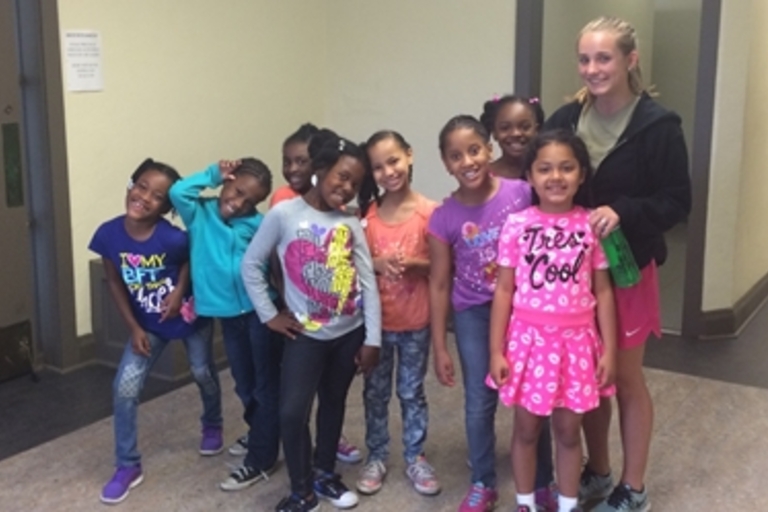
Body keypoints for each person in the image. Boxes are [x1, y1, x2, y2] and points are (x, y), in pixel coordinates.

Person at [543, 16, 692, 512]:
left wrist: (624, 209)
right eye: (584, 58)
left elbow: (677, 202)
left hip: (627, 271)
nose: (592, 68)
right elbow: (542, 179)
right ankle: (600, 473)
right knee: (588, 378)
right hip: (574, 276)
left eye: (603, 58)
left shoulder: (659, 127)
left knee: (625, 379)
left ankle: (634, 487)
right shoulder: (564, 120)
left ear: (630, 61)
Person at [241, 129, 382, 512]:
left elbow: (367, 283)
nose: (348, 187)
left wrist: (373, 340)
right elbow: (251, 264)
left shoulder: (350, 223)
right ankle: (301, 489)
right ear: (320, 169)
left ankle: (324, 473)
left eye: (355, 182)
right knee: (292, 411)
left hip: (348, 334)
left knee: (333, 403)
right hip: (306, 335)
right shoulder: (284, 214)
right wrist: (270, 316)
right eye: (342, 176)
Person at [488, 130, 617, 512]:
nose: (555, 177)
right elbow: (504, 292)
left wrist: (608, 350)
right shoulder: (517, 225)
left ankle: (567, 503)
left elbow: (605, 292)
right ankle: (525, 503)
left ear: (581, 175)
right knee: (526, 431)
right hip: (528, 346)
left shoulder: (591, 226)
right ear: (529, 176)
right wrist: (496, 350)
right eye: (544, 169)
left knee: (567, 432)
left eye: (566, 168)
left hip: (576, 345)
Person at [91, 158, 222, 505]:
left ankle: (212, 423)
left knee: (202, 371)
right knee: (124, 387)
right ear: (130, 186)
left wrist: (180, 291)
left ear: (167, 207)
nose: (145, 198)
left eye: (158, 196)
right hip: (149, 326)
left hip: (191, 318)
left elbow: (193, 257)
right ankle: (128, 465)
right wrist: (133, 327)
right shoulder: (108, 234)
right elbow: (115, 282)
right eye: (141, 187)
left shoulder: (173, 237)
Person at [428, 115, 532, 512]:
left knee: (531, 397)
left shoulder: (521, 194)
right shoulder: (444, 217)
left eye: (474, 150)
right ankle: (483, 482)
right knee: (479, 399)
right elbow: (438, 284)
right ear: (445, 163)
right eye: (456, 156)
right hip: (473, 314)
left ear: (489, 149)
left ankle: (539, 480)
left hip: (525, 310)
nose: (467, 161)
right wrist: (440, 346)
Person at [169, 158, 282, 492]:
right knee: (244, 384)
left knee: (264, 384)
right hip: (228, 317)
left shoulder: (258, 223)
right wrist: (213, 174)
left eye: (251, 200)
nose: (240, 202)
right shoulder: (199, 213)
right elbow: (178, 191)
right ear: (227, 182)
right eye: (236, 191)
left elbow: (273, 265)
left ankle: (262, 458)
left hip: (259, 312)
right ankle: (260, 430)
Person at [354, 130, 440, 497]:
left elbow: (440, 267)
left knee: (411, 392)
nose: (389, 171)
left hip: (415, 323)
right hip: (375, 327)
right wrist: (378, 262)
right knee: (374, 393)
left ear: (409, 155)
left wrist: (415, 264)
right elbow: (355, 264)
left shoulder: (429, 212)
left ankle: (415, 455)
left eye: (394, 160)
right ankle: (376, 454)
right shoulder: (367, 218)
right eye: (378, 167)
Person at [480, 95, 545, 180]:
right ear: (494, 132)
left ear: (536, 130)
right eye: (505, 128)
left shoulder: (545, 172)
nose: (516, 133)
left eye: (525, 127)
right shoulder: (484, 176)